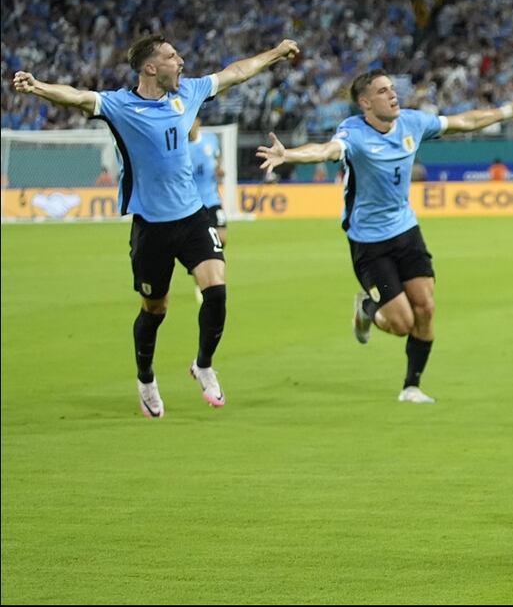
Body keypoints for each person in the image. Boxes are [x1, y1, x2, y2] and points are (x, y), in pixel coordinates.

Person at [12, 33, 299, 418]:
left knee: (216, 292)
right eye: (171, 56)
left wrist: (276, 54)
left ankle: (204, 364)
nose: (180, 61)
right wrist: (38, 87)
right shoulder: (120, 105)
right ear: (151, 67)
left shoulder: (189, 94)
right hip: (152, 227)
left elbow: (235, 73)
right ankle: (145, 378)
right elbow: (78, 96)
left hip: (193, 216)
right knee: (155, 308)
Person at [256, 69, 513, 403]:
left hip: (406, 231)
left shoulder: (412, 123)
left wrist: (508, 111)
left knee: (426, 308)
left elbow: (462, 122)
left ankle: (411, 387)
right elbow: (326, 150)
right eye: (382, 91)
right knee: (402, 322)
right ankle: (367, 309)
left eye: (392, 89)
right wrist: (288, 155)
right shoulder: (354, 134)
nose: (393, 95)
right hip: (369, 243)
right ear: (365, 103)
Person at [189, 115, 225, 304]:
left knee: (222, 237)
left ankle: (209, 270)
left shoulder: (211, 140)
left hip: (212, 198)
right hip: (194, 203)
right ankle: (200, 282)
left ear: (199, 122)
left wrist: (220, 171)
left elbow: (216, 161)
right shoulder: (182, 147)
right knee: (204, 244)